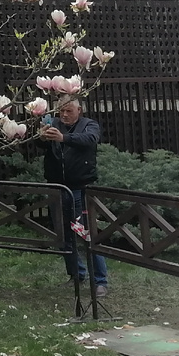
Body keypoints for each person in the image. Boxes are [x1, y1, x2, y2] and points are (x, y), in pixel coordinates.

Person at [39, 96, 109, 296]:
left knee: (88, 234)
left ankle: (100, 281)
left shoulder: (89, 125)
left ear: (79, 110)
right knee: (64, 236)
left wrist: (64, 138)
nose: (64, 115)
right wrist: (42, 138)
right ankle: (76, 275)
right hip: (57, 188)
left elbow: (90, 140)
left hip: (81, 188)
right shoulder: (52, 124)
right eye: (61, 111)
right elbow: (41, 147)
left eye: (69, 111)